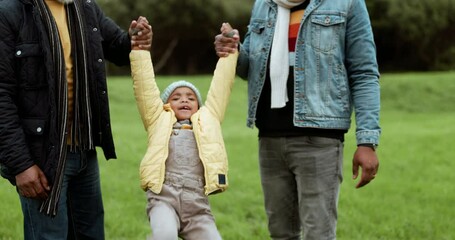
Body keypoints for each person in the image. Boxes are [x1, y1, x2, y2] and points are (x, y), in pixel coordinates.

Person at [214, 0, 380, 239]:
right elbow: (250, 67)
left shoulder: (347, 3)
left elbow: (364, 73)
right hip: (270, 136)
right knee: (280, 233)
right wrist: (233, 49)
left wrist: (367, 141)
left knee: (318, 234)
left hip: (320, 137)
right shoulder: (264, 3)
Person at [0, 0, 152, 238]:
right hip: (41, 159)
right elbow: (2, 95)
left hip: (84, 151)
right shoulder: (9, 11)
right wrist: (21, 165)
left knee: (90, 234)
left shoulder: (85, 6)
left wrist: (135, 39)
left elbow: (117, 45)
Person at [129, 23, 238, 239]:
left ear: (199, 106)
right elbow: (144, 87)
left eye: (190, 97)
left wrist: (230, 54)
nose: (184, 100)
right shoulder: (157, 119)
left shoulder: (210, 118)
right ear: (166, 104)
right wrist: (140, 51)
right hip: (163, 198)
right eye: (176, 97)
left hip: (197, 205)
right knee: (165, 234)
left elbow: (221, 85)